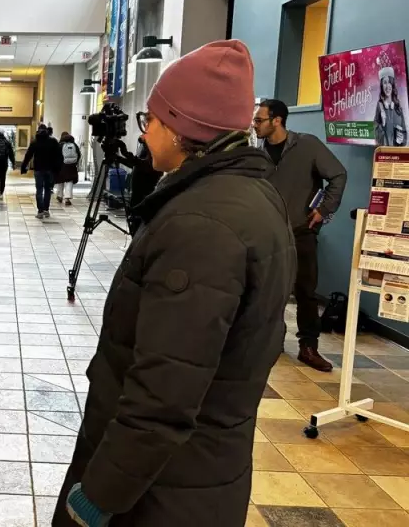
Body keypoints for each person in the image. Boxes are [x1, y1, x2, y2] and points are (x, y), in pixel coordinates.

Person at [54, 40, 296, 527]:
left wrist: (100, 494)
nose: (144, 135)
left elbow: (165, 391)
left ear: (182, 127)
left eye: (151, 120)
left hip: (161, 490)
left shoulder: (200, 228)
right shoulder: (251, 197)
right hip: (204, 471)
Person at [253, 98, 347, 372]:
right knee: (268, 290)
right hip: (268, 232)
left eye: (260, 120)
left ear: (277, 120)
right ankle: (271, 341)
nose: (255, 124)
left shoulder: (307, 145)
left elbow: (338, 175)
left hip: (301, 230)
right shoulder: (257, 154)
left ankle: (309, 347)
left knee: (305, 291)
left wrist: (323, 209)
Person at [21, 124, 63, 218]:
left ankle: (40, 211)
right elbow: (59, 156)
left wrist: (23, 167)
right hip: (49, 169)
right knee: (47, 189)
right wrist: (58, 168)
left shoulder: (35, 142)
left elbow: (28, 155)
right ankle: (46, 210)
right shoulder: (53, 141)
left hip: (38, 169)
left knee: (39, 190)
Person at [374, 67, 406, 146]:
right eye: (385, 82)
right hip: (385, 153)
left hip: (397, 153)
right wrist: (383, 125)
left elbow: (404, 132)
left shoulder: (398, 108)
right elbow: (375, 130)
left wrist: (402, 139)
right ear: (382, 86)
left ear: (392, 84)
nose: (387, 86)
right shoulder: (380, 106)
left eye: (389, 82)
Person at [55, 132, 81, 205]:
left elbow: (56, 156)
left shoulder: (60, 145)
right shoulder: (74, 145)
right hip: (71, 166)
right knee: (69, 181)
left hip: (61, 166)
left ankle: (59, 195)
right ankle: (67, 198)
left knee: (60, 181)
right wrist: (75, 163)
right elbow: (78, 155)